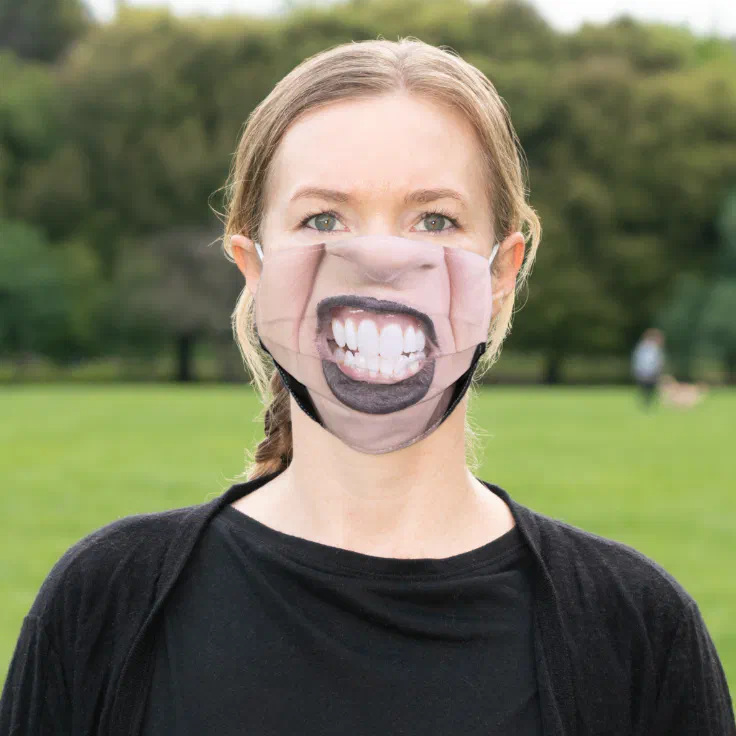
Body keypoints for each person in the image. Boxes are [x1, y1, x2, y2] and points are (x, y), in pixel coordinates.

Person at [1, 38, 734, 736]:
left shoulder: (635, 630)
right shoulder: (105, 604)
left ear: (503, 274)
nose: (380, 260)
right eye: (324, 217)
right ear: (252, 266)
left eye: (434, 220)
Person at [631, 327, 666, 408]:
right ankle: (646, 404)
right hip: (647, 372)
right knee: (646, 389)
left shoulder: (647, 347)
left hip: (648, 372)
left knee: (649, 390)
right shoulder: (647, 347)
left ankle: (647, 404)